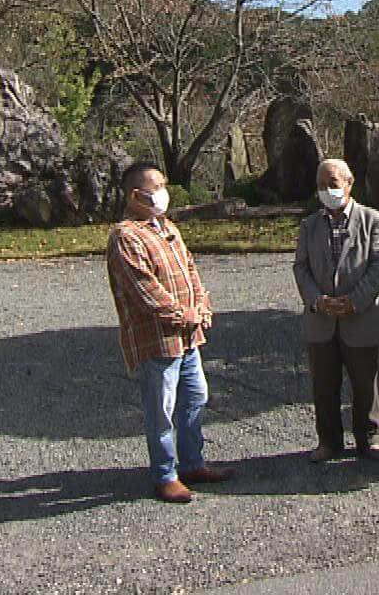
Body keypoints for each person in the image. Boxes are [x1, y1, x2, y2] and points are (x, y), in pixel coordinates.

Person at [105, 160, 235, 503]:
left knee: (195, 397)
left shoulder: (166, 227)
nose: (163, 193)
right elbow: (146, 293)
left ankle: (193, 463)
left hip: (188, 338)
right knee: (161, 410)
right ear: (135, 195)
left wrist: (203, 305)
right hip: (158, 341)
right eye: (157, 187)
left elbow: (190, 269)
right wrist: (187, 315)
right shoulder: (125, 236)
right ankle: (165, 475)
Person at [292, 158, 379, 462]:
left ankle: (370, 438)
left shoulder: (374, 220)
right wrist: (317, 300)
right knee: (324, 385)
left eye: (332, 184)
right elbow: (301, 267)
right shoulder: (309, 225)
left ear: (349, 184)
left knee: (365, 384)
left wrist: (354, 302)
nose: (327, 190)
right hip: (320, 319)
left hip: (359, 317)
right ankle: (329, 442)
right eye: (321, 185)